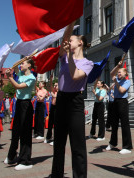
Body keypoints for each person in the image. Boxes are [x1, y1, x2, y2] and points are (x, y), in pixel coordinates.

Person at [50, 22, 93, 178]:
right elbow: (64, 39)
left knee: (78, 144)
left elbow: (75, 76)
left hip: (75, 100)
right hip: (61, 99)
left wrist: (69, 56)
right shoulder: (63, 57)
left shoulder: (88, 63)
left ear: (80, 42)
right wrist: (70, 22)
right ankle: (56, 174)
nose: (69, 42)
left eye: (72, 40)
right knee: (59, 142)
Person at [4, 57, 36, 171]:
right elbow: (15, 65)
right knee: (16, 131)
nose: (20, 65)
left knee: (25, 133)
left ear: (29, 66)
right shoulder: (21, 74)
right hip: (19, 104)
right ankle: (12, 156)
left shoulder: (31, 78)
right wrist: (24, 58)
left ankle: (25, 160)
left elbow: (17, 86)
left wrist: (10, 77)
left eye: (23, 64)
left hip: (26, 105)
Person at [106, 60, 133, 154]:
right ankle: (113, 143)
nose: (118, 74)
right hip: (115, 102)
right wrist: (117, 66)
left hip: (123, 102)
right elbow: (111, 73)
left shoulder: (127, 81)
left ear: (125, 74)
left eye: (120, 72)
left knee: (125, 124)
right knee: (114, 124)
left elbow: (121, 90)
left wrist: (115, 82)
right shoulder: (116, 79)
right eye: (118, 73)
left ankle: (127, 146)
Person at [45, 80, 58, 145]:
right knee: (50, 123)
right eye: (54, 85)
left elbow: (55, 96)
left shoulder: (59, 92)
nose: (55, 86)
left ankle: (56, 139)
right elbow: (50, 87)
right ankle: (48, 137)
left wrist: (52, 93)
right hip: (52, 108)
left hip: (57, 109)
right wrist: (50, 79)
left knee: (56, 124)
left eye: (56, 85)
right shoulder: (54, 91)